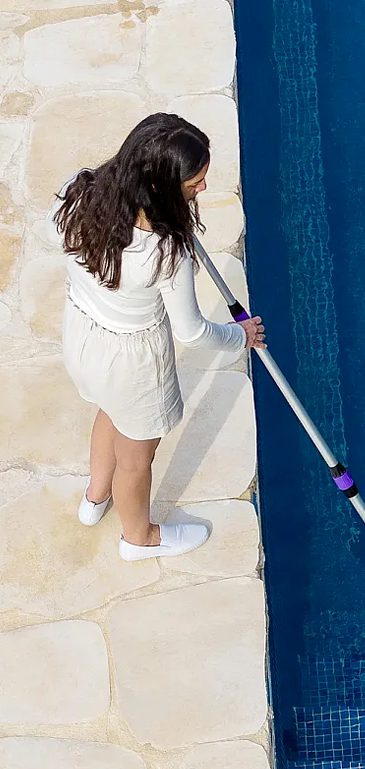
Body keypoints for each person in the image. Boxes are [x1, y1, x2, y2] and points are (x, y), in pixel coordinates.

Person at [47, 113, 265, 562]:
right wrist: (237, 337)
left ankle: (95, 499)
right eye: (193, 185)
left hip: (84, 338)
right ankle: (138, 537)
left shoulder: (77, 193)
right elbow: (191, 331)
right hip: (134, 365)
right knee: (136, 459)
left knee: (109, 411)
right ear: (163, 188)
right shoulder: (165, 251)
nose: (202, 189)